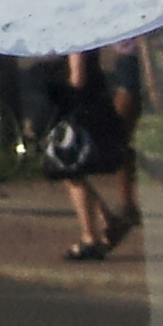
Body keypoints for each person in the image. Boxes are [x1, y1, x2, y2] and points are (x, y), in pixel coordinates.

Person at [41, 49, 134, 260]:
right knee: (72, 172)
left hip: (78, 109)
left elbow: (78, 78)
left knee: (70, 170)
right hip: (91, 102)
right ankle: (107, 219)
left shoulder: (75, 41)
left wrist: (60, 93)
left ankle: (90, 238)